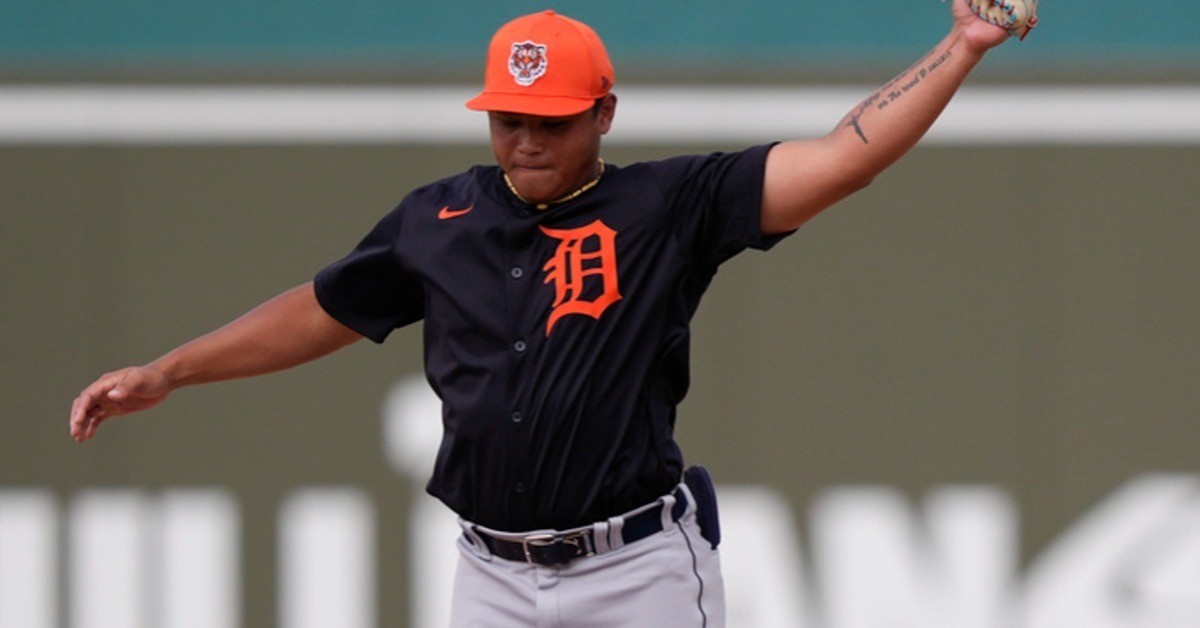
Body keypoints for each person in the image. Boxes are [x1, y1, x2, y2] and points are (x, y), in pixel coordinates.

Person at [70, 3, 1014, 626]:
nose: (525, 139)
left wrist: (963, 45)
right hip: (490, 576)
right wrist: (170, 371)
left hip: (635, 571)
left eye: (552, 119)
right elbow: (326, 310)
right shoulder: (438, 219)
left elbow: (845, 156)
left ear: (604, 113)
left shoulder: (665, 206)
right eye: (508, 118)